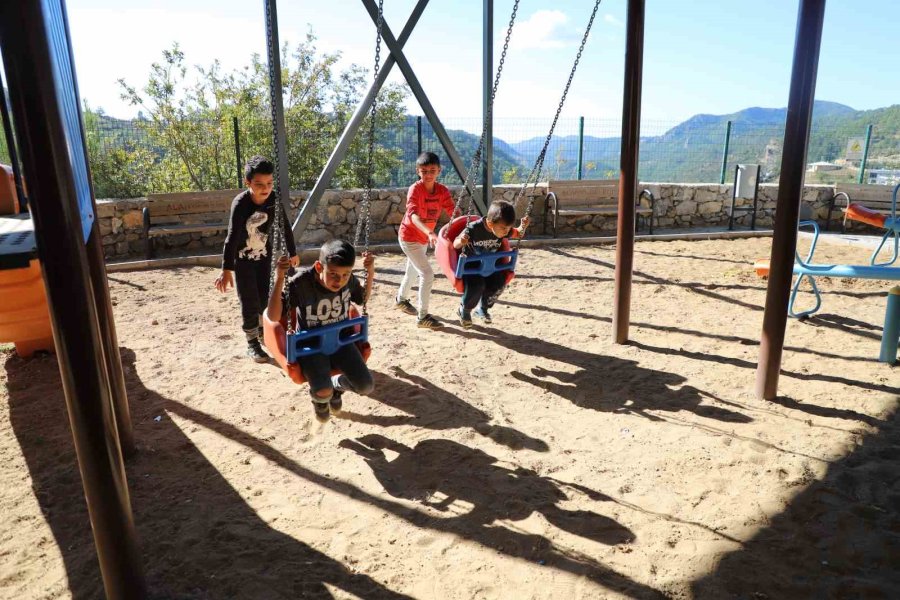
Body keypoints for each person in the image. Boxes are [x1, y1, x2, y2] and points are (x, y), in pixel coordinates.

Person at [267, 239, 375, 422]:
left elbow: (362, 299)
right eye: (333, 273)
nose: (339, 280)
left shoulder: (349, 281)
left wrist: (370, 272)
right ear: (319, 267)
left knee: (366, 386)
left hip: (341, 341)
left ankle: (336, 386)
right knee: (322, 392)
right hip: (310, 346)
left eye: (345, 274)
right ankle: (321, 400)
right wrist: (279, 278)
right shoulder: (301, 283)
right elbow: (274, 316)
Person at [214, 155, 298, 363]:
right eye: (259, 184)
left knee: (264, 298)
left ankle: (262, 332)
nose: (265, 188)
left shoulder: (273, 200)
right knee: (249, 300)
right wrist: (226, 269)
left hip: (264, 257)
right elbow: (232, 237)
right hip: (242, 260)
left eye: (269, 183)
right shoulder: (241, 203)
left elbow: (284, 226)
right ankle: (252, 342)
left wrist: (293, 251)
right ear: (248, 182)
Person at [395, 151, 458, 329]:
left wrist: (464, 222)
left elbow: (452, 210)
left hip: (423, 238)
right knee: (427, 274)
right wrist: (429, 233)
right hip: (409, 237)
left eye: (432, 170)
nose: (428, 174)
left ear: (439, 170)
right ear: (417, 171)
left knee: (413, 271)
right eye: (424, 171)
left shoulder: (442, 191)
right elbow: (413, 216)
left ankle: (401, 299)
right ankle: (423, 317)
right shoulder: (415, 189)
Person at [452, 200, 529, 328]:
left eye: (508, 228)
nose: (506, 232)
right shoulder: (473, 228)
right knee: (477, 286)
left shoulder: (503, 228)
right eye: (504, 228)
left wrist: (523, 226)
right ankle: (464, 310)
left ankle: (482, 308)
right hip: (471, 267)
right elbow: (455, 244)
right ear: (489, 223)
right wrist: (462, 240)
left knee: (499, 283)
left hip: (491, 265)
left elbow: (518, 233)